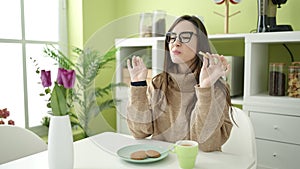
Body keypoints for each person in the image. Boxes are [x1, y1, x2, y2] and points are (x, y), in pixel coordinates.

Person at [126, 15, 233, 152]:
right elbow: (139, 132)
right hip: (162, 161)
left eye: (185, 36)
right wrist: (138, 85)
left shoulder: (217, 89)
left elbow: (206, 145)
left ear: (200, 43)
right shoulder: (158, 83)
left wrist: (205, 88)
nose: (176, 42)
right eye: (172, 37)